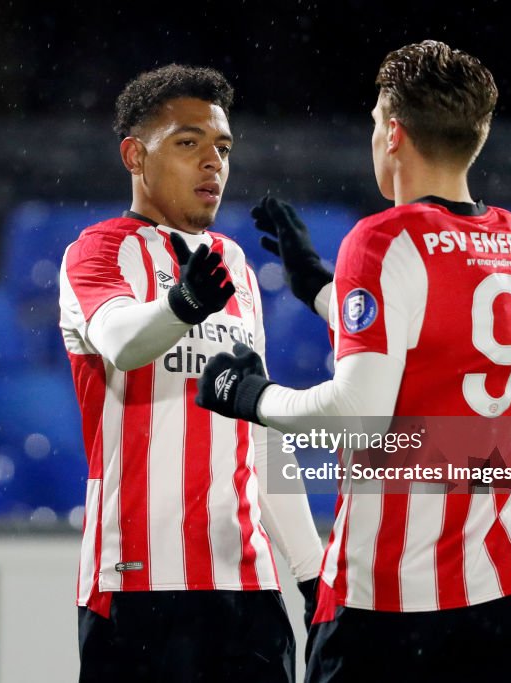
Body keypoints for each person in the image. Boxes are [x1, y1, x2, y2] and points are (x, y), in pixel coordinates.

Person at [195, 41, 511, 682]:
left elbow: (356, 415)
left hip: (393, 602)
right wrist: (320, 288)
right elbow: (437, 338)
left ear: (393, 133)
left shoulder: (386, 238)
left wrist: (249, 394)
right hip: (509, 592)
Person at [58, 64, 324, 683]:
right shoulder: (97, 252)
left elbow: (259, 437)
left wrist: (312, 572)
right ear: (134, 155)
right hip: (136, 585)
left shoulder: (235, 267)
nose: (213, 163)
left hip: (248, 591)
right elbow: (122, 342)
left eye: (222, 148)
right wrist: (182, 304)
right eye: (188, 143)